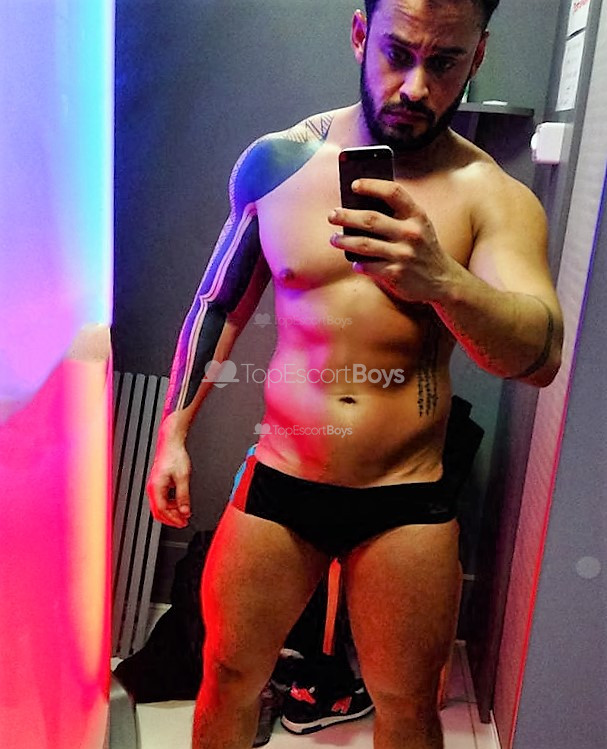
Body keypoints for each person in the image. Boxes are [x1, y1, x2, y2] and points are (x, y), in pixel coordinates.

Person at [147, 1, 563, 747]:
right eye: (398, 53)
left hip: (404, 495)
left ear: (477, 56)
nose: (415, 87)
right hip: (282, 474)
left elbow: (537, 356)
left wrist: (442, 280)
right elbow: (218, 306)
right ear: (360, 35)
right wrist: (173, 431)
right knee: (228, 675)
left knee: (407, 709)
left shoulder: (492, 196)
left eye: (444, 62)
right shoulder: (277, 162)